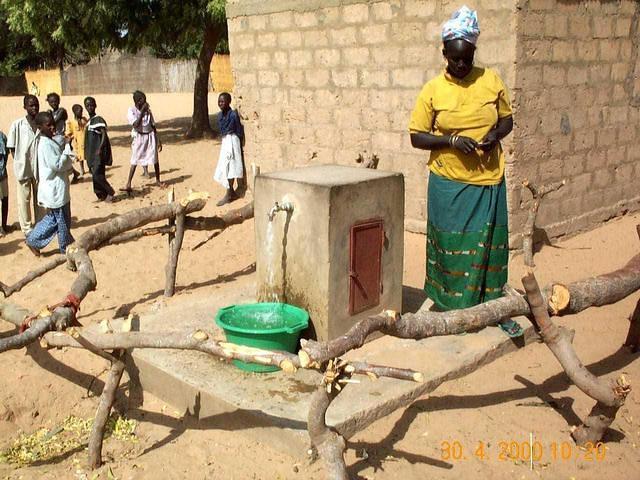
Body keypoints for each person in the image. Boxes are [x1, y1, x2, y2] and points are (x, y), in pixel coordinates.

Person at [408, 5, 522, 337]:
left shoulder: (491, 80)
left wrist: (494, 136)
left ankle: (495, 309)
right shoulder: (433, 90)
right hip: (448, 183)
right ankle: (450, 310)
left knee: (488, 247)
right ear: (444, 53)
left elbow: (507, 119)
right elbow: (417, 136)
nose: (461, 63)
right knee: (450, 247)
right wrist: (451, 141)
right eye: (455, 57)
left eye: (467, 57)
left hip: (488, 181)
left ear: (473, 51)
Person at [25, 112, 74, 255]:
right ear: (40, 128)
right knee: (60, 220)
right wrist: (66, 148)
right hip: (55, 190)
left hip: (56, 189)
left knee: (55, 218)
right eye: (48, 125)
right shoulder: (46, 144)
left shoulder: (48, 141)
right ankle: (65, 247)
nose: (52, 127)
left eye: (53, 123)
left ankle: (65, 243)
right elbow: (57, 164)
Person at [7, 94, 42, 236]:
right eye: (31, 105)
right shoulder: (17, 125)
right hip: (24, 169)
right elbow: (12, 147)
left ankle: (40, 224)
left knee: (40, 199)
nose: (34, 107)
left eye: (36, 105)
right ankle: (27, 229)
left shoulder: (42, 124)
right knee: (24, 200)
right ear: (25, 107)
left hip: (39, 169)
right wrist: (19, 161)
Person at [124, 90, 163, 192]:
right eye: (143, 100)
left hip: (150, 136)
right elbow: (136, 125)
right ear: (138, 101)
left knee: (155, 158)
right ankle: (128, 183)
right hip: (139, 137)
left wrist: (158, 139)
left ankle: (158, 180)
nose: (145, 102)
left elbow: (153, 125)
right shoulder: (132, 111)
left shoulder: (148, 111)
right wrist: (141, 112)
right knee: (135, 160)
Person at [213, 92, 244, 206]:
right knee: (225, 166)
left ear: (228, 102)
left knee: (231, 166)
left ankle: (229, 193)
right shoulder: (220, 116)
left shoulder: (233, 115)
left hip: (232, 141)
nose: (220, 103)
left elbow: (239, 130)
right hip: (225, 142)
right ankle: (230, 192)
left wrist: (236, 141)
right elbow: (222, 130)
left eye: (223, 101)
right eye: (219, 101)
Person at [84, 96, 115, 202]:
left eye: (91, 105)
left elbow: (103, 134)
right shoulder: (89, 121)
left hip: (98, 152)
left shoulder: (98, 119)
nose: (90, 107)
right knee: (95, 175)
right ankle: (101, 195)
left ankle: (110, 191)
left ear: (95, 105)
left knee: (98, 175)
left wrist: (100, 148)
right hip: (91, 153)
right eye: (87, 105)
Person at [47, 92, 81, 183]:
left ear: (58, 101)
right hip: (54, 137)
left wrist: (49, 115)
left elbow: (53, 122)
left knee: (62, 157)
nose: (54, 103)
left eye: (55, 101)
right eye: (51, 102)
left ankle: (72, 173)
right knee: (61, 157)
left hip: (60, 137)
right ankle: (74, 172)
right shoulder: (51, 112)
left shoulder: (61, 111)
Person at [65, 104, 88, 177]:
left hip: (85, 140)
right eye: (79, 112)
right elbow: (69, 133)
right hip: (78, 142)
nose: (80, 113)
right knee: (80, 156)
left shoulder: (84, 120)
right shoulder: (71, 122)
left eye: (81, 111)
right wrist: (69, 142)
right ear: (74, 112)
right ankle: (82, 169)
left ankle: (90, 167)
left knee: (87, 154)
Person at [0, 130, 9, 236]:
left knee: (5, 199)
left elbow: (6, 152)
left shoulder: (2, 136)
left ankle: (4, 225)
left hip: (2, 174)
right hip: (2, 173)